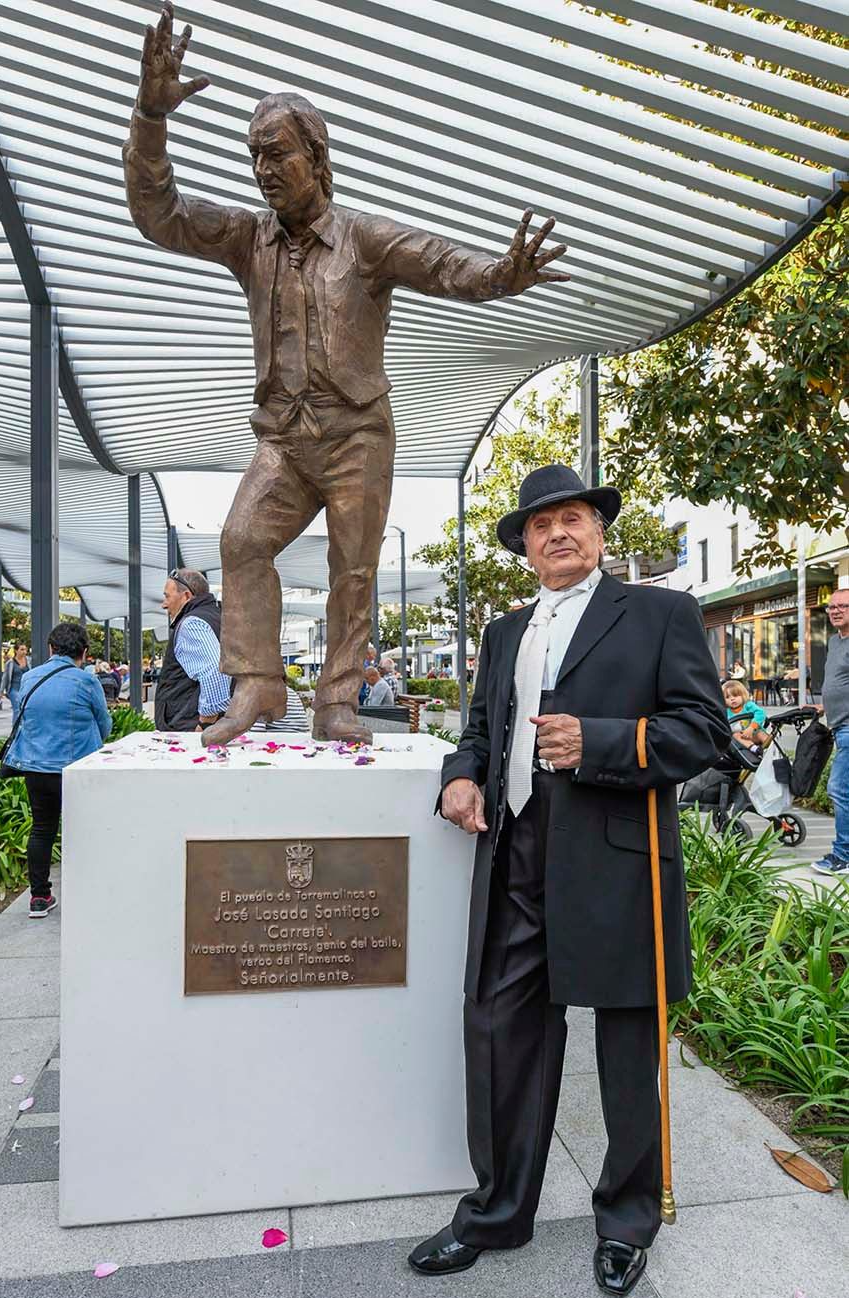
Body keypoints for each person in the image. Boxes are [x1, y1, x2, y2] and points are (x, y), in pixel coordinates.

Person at [123, 2, 570, 746]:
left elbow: (443, 263)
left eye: (278, 155)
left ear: (318, 158)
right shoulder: (245, 236)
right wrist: (150, 115)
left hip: (356, 432)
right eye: (255, 158)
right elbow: (158, 211)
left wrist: (502, 272)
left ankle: (336, 699)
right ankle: (260, 684)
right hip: (284, 437)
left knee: (352, 567)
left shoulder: (363, 240)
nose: (264, 172)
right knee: (240, 539)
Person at [407, 464, 730, 1296]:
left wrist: (602, 743)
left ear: (599, 530)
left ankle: (627, 1223)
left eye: (574, 517)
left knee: (626, 1051)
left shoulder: (662, 613)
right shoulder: (505, 633)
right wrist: (460, 775)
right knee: (501, 1036)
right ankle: (498, 1211)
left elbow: (702, 732)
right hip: (514, 857)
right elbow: (481, 727)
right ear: (524, 546)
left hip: (615, 863)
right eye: (541, 523)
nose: (558, 532)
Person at [1, 623, 111, 918]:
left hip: (37, 767)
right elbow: (105, 725)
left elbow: (22, 718)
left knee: (41, 830)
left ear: (51, 649)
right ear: (85, 653)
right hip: (77, 769)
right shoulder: (86, 681)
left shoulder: (29, 678)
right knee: (83, 831)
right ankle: (87, 894)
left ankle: (39, 897)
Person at [155, 569, 230, 732]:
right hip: (219, 726)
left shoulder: (192, 624)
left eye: (167, 596)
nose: (164, 604)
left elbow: (215, 672)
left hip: (190, 728)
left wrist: (205, 724)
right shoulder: (220, 618)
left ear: (186, 596)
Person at [813, 588, 849, 875]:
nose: (836, 611)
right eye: (831, 607)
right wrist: (824, 705)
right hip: (839, 726)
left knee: (838, 788)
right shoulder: (835, 642)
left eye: (843, 606)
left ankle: (843, 856)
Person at [722, 681, 767, 748]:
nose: (732, 699)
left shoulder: (748, 705)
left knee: (761, 734)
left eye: (735, 695)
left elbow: (760, 713)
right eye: (728, 697)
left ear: (743, 695)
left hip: (754, 733)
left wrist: (751, 727)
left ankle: (771, 749)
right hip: (740, 737)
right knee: (735, 736)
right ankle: (754, 749)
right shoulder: (726, 711)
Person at [0, 644, 30, 718]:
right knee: (17, 709)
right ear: (16, 651)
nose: (24, 652)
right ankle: (15, 728)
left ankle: (22, 728)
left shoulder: (29, 660)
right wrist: (1, 691)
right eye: (22, 649)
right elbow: (5, 677)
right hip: (14, 689)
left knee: (25, 710)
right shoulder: (10, 663)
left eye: (25, 650)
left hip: (26, 689)